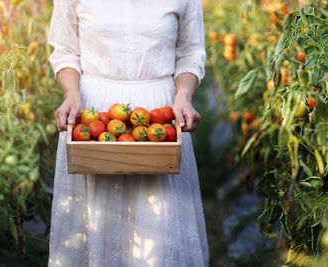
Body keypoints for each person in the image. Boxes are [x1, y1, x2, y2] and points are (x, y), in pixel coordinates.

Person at [47, 0, 209, 266]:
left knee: (158, 218)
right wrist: (71, 94)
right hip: (95, 114)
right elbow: (65, 51)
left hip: (159, 114)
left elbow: (190, 53)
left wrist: (184, 95)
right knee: (96, 214)